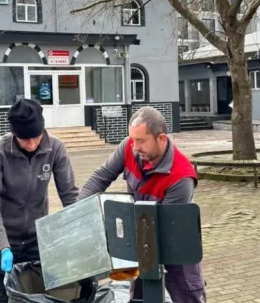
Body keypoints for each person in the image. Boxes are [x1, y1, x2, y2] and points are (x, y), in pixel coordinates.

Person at [77, 106, 206, 303]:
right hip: (142, 240)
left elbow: (163, 234)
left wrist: (119, 250)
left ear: (161, 138)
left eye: (141, 141)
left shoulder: (181, 177)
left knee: (187, 296)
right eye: (133, 140)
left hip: (174, 245)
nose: (135, 147)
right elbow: (100, 177)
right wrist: (78, 211)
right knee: (139, 298)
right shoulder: (130, 147)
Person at [0, 98, 80, 303]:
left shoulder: (55, 148)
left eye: (35, 137)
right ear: (14, 134)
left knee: (36, 296)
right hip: (1, 240)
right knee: (1, 296)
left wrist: (81, 232)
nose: (32, 144)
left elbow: (69, 194)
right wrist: (2, 246)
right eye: (25, 140)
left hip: (36, 239)